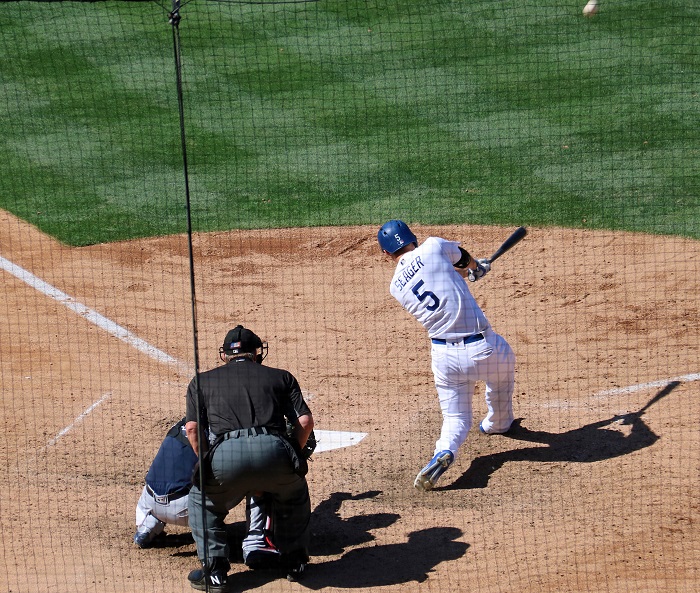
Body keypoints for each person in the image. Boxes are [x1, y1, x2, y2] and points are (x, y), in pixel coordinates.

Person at [378, 220, 516, 491]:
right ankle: (498, 422)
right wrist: (476, 268)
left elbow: (440, 278)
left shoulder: (396, 287)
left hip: (444, 358)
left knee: (456, 418)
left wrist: (466, 274)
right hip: (483, 349)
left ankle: (444, 451)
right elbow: (462, 258)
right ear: (412, 237)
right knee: (502, 374)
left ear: (386, 254)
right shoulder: (432, 246)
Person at [185, 325, 314, 592]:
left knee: (202, 500)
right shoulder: (281, 377)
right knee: (294, 495)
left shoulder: (201, 381)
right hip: (275, 451)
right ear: (256, 353)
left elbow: (192, 429)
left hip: (226, 454)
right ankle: (294, 562)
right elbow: (305, 421)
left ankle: (215, 572)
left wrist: (207, 464)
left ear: (224, 355)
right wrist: (294, 456)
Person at [133, 418, 273, 557]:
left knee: (173, 475)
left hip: (148, 503)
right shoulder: (223, 426)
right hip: (186, 509)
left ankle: (148, 527)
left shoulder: (182, 422)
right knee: (257, 471)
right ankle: (255, 542)